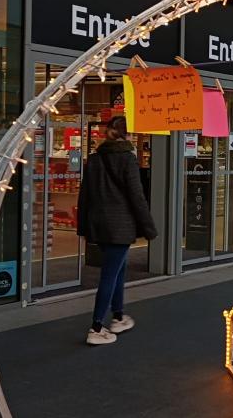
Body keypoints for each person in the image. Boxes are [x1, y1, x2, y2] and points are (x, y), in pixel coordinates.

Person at [78, 116, 158, 345]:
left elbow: (85, 195)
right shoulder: (127, 159)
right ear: (127, 135)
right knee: (110, 275)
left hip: (99, 225)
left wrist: (83, 226)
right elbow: (137, 196)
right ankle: (96, 327)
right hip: (120, 226)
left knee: (118, 269)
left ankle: (119, 316)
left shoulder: (94, 160)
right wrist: (149, 227)